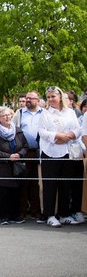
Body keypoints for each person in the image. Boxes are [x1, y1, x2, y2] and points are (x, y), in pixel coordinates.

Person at [39, 86, 81, 227]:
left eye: (53, 96)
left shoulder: (70, 112)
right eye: (48, 97)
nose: (51, 99)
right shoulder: (45, 113)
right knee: (50, 186)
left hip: (67, 151)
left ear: (60, 97)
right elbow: (42, 132)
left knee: (66, 185)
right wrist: (57, 136)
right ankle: (50, 214)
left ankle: (64, 214)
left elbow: (77, 129)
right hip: (50, 152)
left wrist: (69, 136)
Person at [0, 107, 28, 225]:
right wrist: (8, 157)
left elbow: (25, 146)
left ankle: (15, 215)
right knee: (4, 192)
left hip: (17, 165)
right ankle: (4, 216)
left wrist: (19, 155)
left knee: (17, 191)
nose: (7, 117)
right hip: (3, 166)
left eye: (9, 115)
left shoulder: (18, 130)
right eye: (4, 115)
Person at [12, 90, 43, 220]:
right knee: (23, 183)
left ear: (38, 99)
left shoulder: (44, 114)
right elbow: (12, 130)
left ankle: (36, 210)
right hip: (24, 152)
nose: (28, 100)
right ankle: (22, 211)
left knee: (37, 183)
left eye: (31, 98)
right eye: (27, 98)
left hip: (39, 151)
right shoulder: (19, 113)